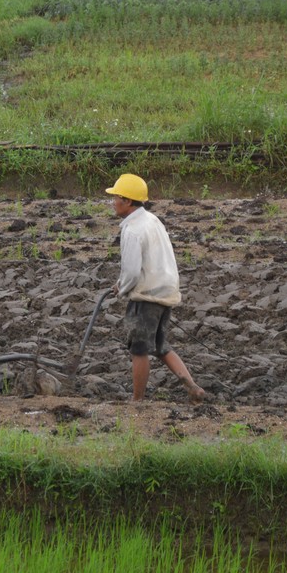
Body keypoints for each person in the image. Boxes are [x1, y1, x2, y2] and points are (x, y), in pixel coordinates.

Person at [105, 173, 206, 403]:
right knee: (161, 346)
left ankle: (137, 400)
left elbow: (131, 271)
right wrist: (121, 284)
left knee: (138, 349)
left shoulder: (132, 230)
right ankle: (192, 387)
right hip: (165, 290)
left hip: (146, 296)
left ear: (128, 201)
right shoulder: (152, 220)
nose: (113, 202)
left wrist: (123, 290)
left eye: (116, 197)